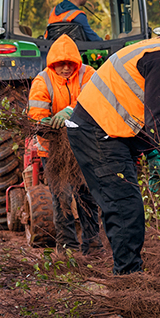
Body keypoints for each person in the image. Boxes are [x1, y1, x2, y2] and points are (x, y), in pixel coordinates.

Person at [66, 12, 160, 275]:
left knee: (123, 204)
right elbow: (159, 120)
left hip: (107, 127)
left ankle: (126, 271)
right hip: (97, 129)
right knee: (126, 207)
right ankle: (128, 281)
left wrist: (153, 156)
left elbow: (141, 110)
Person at [27, 34, 102, 253]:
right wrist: (47, 122)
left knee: (87, 196)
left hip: (84, 147)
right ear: (53, 64)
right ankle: (67, 248)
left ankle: (93, 247)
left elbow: (96, 100)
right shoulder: (43, 80)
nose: (66, 68)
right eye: (61, 64)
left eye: (70, 63)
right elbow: (36, 115)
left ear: (77, 62)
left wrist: (72, 111)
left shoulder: (88, 74)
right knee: (62, 198)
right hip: (53, 149)